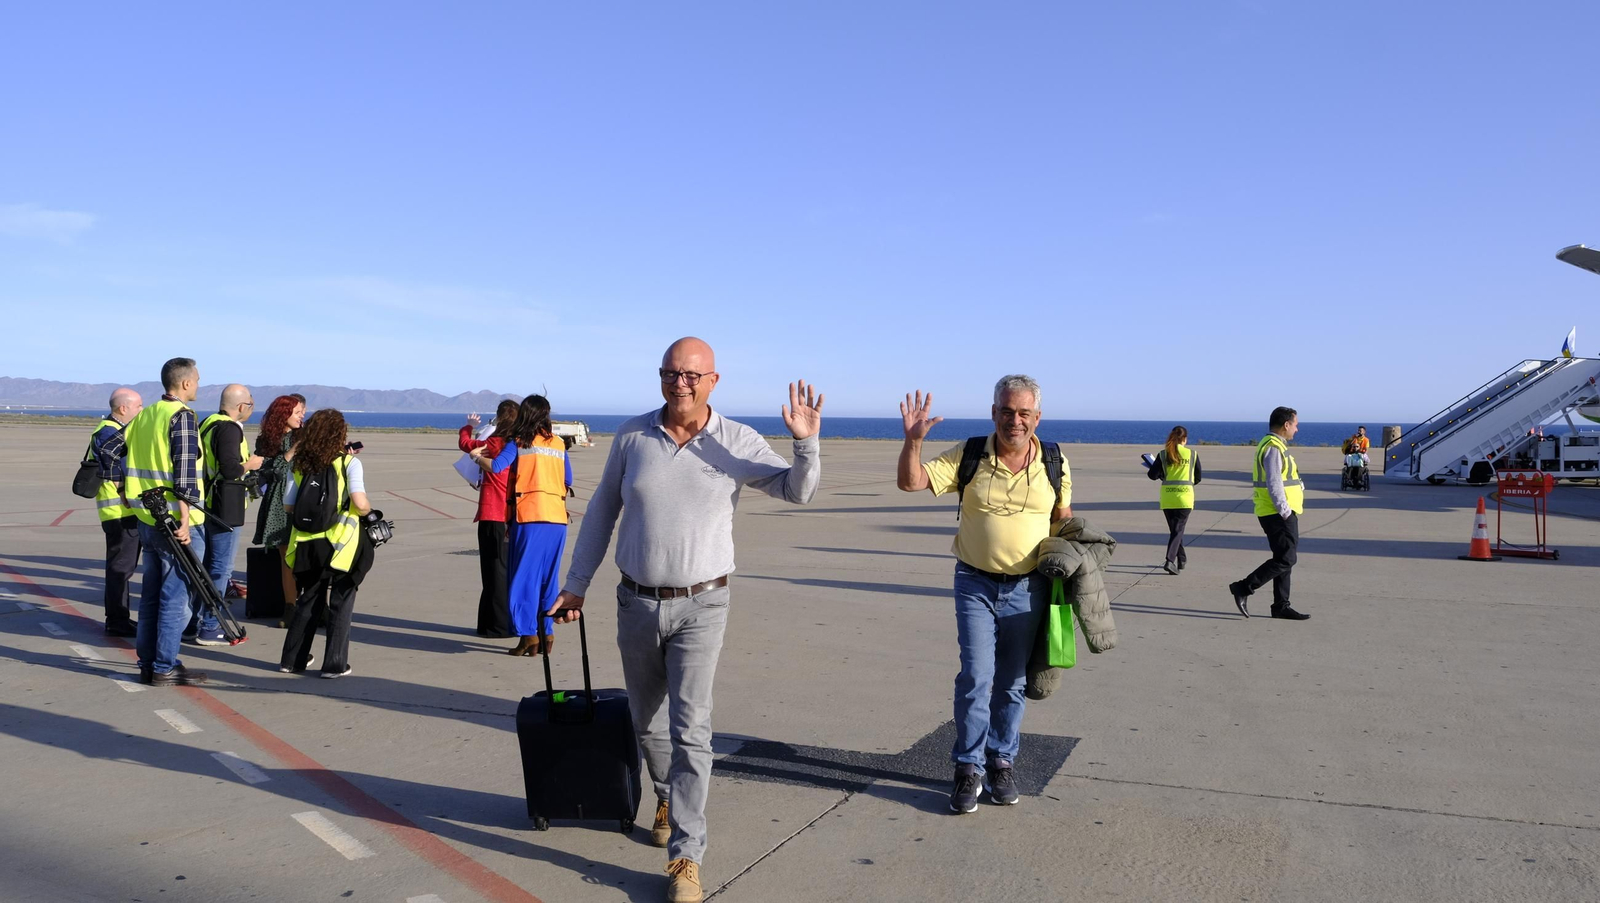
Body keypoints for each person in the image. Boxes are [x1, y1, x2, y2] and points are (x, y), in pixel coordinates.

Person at [548, 337, 823, 903]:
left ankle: (687, 859)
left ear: (713, 381)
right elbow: (602, 510)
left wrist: (806, 444)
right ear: (660, 376)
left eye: (693, 375)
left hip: (704, 603)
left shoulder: (737, 439)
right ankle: (665, 794)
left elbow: (798, 492)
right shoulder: (631, 436)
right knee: (647, 722)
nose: (682, 383)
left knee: (692, 729)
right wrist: (576, 586)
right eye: (673, 373)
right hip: (635, 601)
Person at [896, 376, 1071, 814]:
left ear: (1037, 417)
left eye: (1024, 413)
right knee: (976, 677)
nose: (1016, 420)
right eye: (1007, 411)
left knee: (1011, 684)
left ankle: (1001, 761)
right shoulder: (969, 454)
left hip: (1028, 587)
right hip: (974, 583)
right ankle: (967, 768)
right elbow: (910, 482)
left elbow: (1064, 523)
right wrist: (913, 442)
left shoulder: (1055, 462)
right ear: (994, 412)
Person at [99, 358, 210, 686]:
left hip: (147, 517)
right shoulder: (182, 417)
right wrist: (186, 521)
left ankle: (148, 661)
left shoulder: (145, 415)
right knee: (176, 593)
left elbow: (107, 449)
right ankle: (164, 665)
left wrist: (123, 490)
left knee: (152, 592)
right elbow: (186, 475)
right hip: (175, 520)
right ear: (186, 384)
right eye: (198, 380)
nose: (199, 385)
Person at [472, 395, 570, 655]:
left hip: (529, 517)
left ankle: (528, 635)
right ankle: (547, 633)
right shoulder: (559, 444)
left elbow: (497, 466)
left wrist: (476, 459)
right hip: (557, 519)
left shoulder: (519, 443)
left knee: (524, 579)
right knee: (549, 579)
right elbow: (567, 479)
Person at [279, 409, 373, 678]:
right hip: (341, 544)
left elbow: (288, 506)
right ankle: (334, 664)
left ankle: (291, 660)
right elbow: (359, 502)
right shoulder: (348, 463)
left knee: (308, 600)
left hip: (307, 543)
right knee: (342, 600)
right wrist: (366, 512)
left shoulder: (298, 464)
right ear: (339, 434)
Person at [190, 385, 264, 645]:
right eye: (251, 405)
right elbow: (230, 469)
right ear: (242, 406)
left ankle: (192, 622)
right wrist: (251, 464)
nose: (251, 410)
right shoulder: (229, 428)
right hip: (224, 507)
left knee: (206, 567)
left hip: (207, 502)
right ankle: (210, 626)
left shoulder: (209, 422)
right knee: (220, 569)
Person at [1229, 407, 1310, 621]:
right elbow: (1274, 483)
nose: (1297, 429)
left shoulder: (1274, 445)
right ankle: (1244, 587)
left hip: (1278, 512)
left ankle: (1281, 606)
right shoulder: (1273, 448)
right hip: (1278, 513)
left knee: (1283, 558)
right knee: (1287, 558)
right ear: (1286, 425)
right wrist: (1285, 512)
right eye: (1295, 424)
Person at [458, 399, 520, 639]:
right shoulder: (519, 445)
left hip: (492, 512)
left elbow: (466, 444)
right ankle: (496, 622)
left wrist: (467, 426)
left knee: (493, 572)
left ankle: (496, 625)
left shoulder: (495, 443)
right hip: (512, 514)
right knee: (505, 569)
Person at [89, 387, 143, 636]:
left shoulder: (110, 431)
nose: (141, 411)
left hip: (121, 512)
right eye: (138, 407)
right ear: (123, 408)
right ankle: (117, 620)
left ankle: (120, 617)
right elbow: (114, 469)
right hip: (119, 513)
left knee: (122, 568)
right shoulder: (109, 433)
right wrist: (124, 493)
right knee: (120, 569)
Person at [253, 394, 305, 625]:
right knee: (287, 558)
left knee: (309, 556)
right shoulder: (268, 441)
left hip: (305, 499)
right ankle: (290, 607)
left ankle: (315, 608)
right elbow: (270, 473)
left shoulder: (304, 436)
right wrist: (291, 452)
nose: (302, 416)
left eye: (303, 412)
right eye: (297, 412)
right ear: (284, 414)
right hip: (279, 502)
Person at [1147, 425, 1201, 575]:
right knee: (1177, 530)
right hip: (1184, 498)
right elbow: (1198, 477)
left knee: (1176, 530)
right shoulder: (1192, 454)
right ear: (1185, 439)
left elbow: (1152, 475)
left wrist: (1162, 474)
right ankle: (1170, 560)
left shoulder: (1163, 454)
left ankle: (1181, 559)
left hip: (1168, 498)